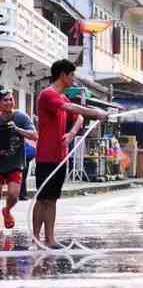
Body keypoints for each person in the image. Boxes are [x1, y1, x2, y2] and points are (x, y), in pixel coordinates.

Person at [34, 59, 108, 248]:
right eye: (72, 75)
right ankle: (36, 238)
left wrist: (71, 133)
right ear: (63, 75)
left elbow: (79, 117)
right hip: (46, 156)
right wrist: (96, 112)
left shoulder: (63, 97)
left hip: (60, 156)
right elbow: (71, 109)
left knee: (52, 199)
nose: (74, 79)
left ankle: (50, 239)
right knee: (43, 199)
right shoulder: (48, 95)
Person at [0, 86, 37, 229]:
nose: (9, 102)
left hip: (15, 163)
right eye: (5, 100)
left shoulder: (21, 117)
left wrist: (17, 129)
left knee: (14, 194)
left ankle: (7, 210)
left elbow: (34, 135)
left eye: (11, 99)